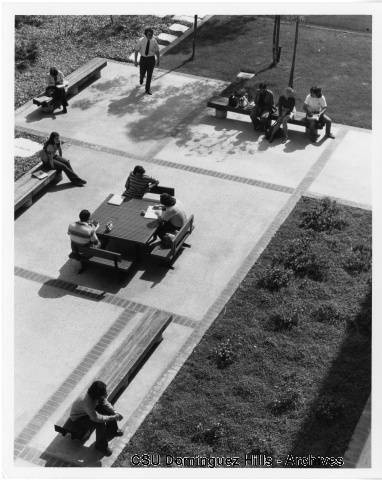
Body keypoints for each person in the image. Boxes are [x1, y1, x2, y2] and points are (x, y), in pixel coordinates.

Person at [69, 381, 123, 456]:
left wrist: (114, 412)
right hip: (79, 418)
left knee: (107, 409)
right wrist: (113, 417)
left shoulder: (95, 395)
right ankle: (100, 446)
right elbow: (97, 419)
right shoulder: (87, 402)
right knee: (100, 424)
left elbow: (104, 401)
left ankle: (112, 430)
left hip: (87, 412)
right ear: (97, 394)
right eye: (104, 392)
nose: (106, 394)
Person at [134, 27, 160, 95]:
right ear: (145, 34)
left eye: (152, 34)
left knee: (149, 75)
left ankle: (147, 89)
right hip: (143, 59)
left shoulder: (154, 41)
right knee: (142, 73)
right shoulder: (140, 41)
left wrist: (158, 60)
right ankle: (141, 78)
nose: (151, 36)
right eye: (149, 34)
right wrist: (135, 61)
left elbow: (157, 51)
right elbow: (136, 50)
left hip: (151, 59)